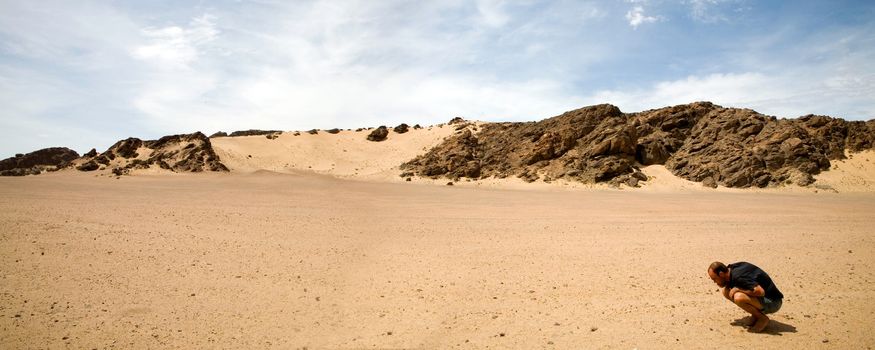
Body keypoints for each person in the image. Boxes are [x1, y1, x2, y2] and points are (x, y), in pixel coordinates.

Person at [707, 261, 783, 333]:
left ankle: (762, 318)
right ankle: (756, 315)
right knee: (727, 291)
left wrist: (738, 289)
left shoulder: (739, 277)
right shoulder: (731, 270)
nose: (714, 282)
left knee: (738, 297)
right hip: (765, 298)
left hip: (773, 302)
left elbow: (760, 292)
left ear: (721, 274)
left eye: (714, 279)